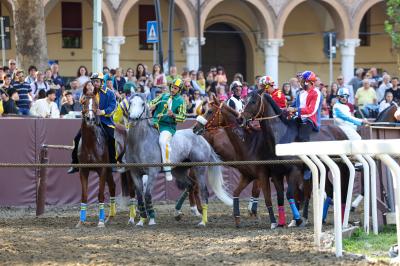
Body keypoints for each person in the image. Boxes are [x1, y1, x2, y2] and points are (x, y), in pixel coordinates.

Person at [67, 73, 117, 174]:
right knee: (77, 139)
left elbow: (113, 107)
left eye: (97, 81)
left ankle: (112, 164)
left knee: (111, 139)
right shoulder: (88, 93)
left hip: (105, 121)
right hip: (90, 121)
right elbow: (83, 105)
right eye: (93, 81)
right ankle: (75, 164)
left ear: (102, 82)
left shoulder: (110, 93)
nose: (95, 83)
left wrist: (102, 112)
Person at [149, 78, 186, 181]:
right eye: (172, 87)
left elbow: (183, 117)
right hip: (154, 123)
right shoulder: (163, 95)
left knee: (162, 141)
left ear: (179, 90)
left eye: (175, 88)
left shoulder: (181, 101)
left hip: (168, 127)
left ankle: (167, 168)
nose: (173, 89)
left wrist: (173, 115)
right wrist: (150, 106)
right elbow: (152, 102)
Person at [287, 71, 321, 142]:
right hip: (297, 117)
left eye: (302, 81)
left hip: (309, 120)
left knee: (302, 138)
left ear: (308, 82)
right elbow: (293, 105)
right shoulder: (300, 93)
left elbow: (311, 111)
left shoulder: (316, 92)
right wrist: (286, 110)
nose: (300, 83)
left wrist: (295, 110)